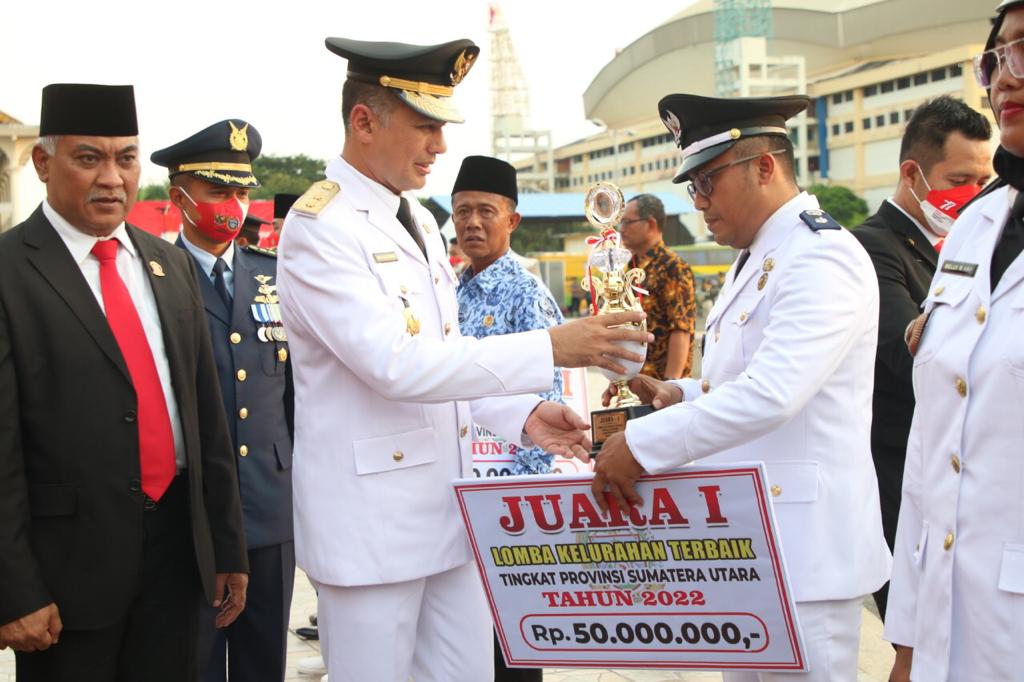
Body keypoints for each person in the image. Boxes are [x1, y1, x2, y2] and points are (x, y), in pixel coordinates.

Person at [276, 36, 650, 682]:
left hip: (449, 519)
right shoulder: (320, 229)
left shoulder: (418, 223)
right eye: (425, 127)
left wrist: (520, 415)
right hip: (373, 532)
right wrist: (549, 347)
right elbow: (395, 364)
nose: (439, 147)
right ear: (364, 122)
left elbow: (445, 358)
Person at [590, 93, 891, 682]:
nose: (698, 202)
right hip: (752, 546)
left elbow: (775, 392)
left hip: (807, 555)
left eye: (707, 183)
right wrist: (682, 395)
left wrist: (644, 447)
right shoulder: (755, 255)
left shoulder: (819, 256)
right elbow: (743, 380)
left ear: (764, 166)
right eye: (692, 188)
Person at [0, 84, 248, 681]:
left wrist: (225, 545)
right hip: (66, 579)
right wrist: (14, 589)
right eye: (89, 158)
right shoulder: (10, 272)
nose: (112, 178)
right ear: (42, 162)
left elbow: (205, 417)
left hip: (175, 558)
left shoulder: (168, 265)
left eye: (126, 158)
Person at [885, 3, 1024, 679]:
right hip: (947, 611)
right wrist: (907, 638)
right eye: (995, 58)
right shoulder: (977, 224)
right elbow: (931, 446)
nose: (1005, 77)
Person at [151, 120, 296, 682]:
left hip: (267, 501)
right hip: (191, 513)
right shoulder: (157, 275)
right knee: (195, 664)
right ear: (179, 197)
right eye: (217, 191)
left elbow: (291, 397)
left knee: (265, 664)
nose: (232, 205)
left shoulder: (274, 277)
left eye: (240, 192)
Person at [851, 96, 992, 619]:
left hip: (955, 476)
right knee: (919, 634)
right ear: (913, 173)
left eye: (984, 181)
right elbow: (905, 355)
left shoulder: (960, 247)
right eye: (962, 180)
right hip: (899, 478)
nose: (975, 195)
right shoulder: (872, 246)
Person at [452, 155, 560, 682]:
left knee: (513, 644)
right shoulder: (453, 288)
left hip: (508, 499)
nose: (473, 222)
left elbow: (547, 394)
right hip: (460, 489)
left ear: (512, 220)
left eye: (486, 211)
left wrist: (521, 500)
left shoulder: (526, 292)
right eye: (463, 211)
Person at [619, 193, 697, 379]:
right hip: (634, 382)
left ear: (651, 224)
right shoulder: (630, 268)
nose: (621, 230)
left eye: (628, 222)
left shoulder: (672, 267)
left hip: (661, 387)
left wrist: (669, 387)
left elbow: (681, 330)